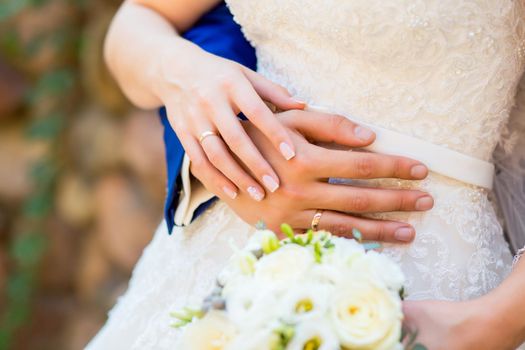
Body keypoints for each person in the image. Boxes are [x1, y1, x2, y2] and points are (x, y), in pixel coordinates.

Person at [87, 1, 525, 349]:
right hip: (219, 253)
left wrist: (491, 323)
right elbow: (138, 20)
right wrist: (188, 76)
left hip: (433, 278)